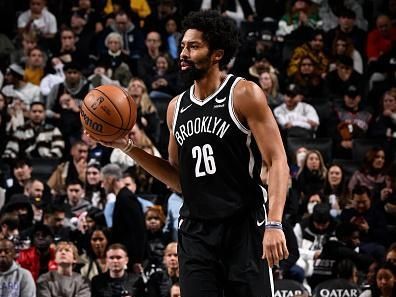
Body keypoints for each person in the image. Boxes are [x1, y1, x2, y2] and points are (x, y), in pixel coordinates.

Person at [88, 10, 289, 297]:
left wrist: (274, 223)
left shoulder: (243, 94)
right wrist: (127, 146)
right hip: (196, 231)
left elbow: (277, 160)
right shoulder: (175, 108)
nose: (183, 53)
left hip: (242, 225)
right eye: (183, 46)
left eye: (193, 47)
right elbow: (179, 178)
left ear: (217, 54)